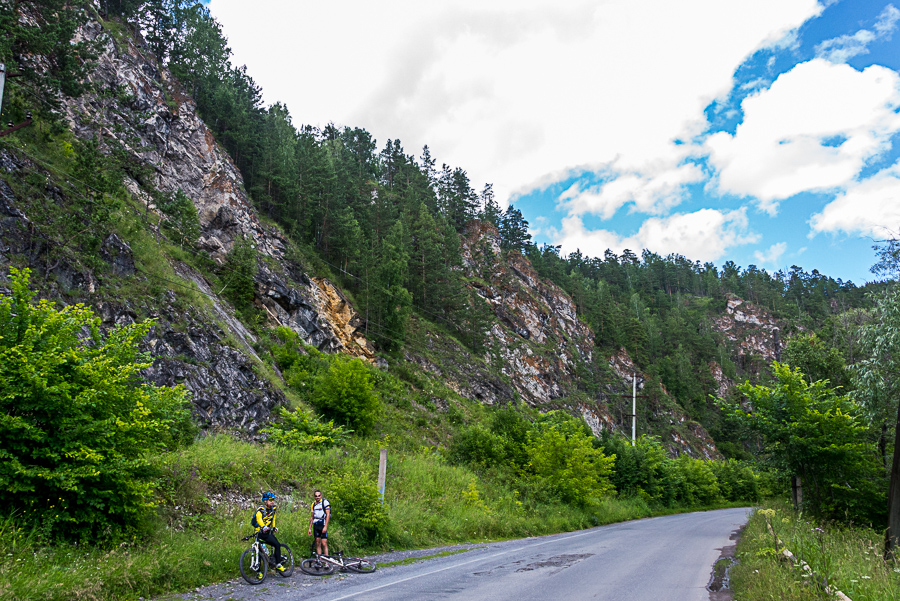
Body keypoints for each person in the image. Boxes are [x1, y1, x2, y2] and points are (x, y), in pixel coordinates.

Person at [252, 491, 285, 575]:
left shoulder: (273, 509)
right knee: (258, 552)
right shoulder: (261, 509)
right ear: (265, 501)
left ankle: (278, 564)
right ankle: (258, 572)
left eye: (273, 499)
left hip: (267, 533)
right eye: (270, 500)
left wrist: (274, 527)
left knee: (277, 545)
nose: (272, 501)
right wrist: (263, 526)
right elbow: (258, 518)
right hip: (259, 533)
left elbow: (273, 519)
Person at [307, 489, 331, 556]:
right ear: (314, 497)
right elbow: (312, 517)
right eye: (316, 496)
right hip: (316, 524)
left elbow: (328, 514)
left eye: (319, 495)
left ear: (321, 496)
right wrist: (309, 528)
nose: (317, 497)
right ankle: (319, 560)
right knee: (317, 543)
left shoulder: (325, 502)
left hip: (322, 523)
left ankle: (327, 560)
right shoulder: (313, 504)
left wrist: (325, 526)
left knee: (324, 543)